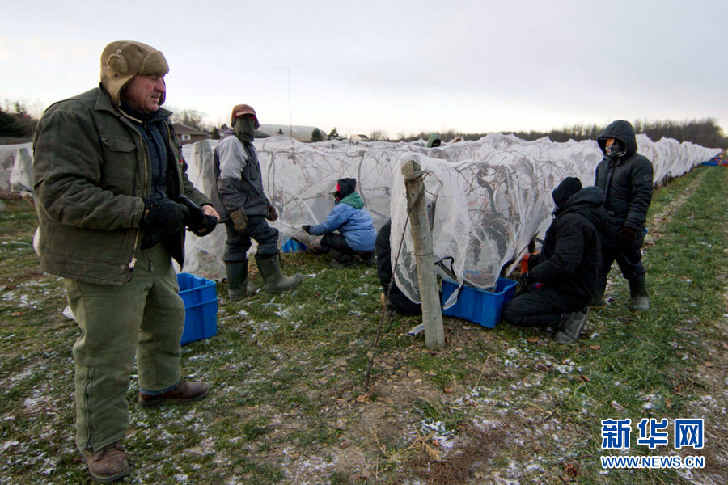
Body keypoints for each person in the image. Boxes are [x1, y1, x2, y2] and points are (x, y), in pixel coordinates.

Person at [32, 40, 219, 482]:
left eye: (163, 78)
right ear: (121, 78)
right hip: (102, 257)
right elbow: (62, 195)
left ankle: (159, 386)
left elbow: (176, 180)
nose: (161, 87)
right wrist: (145, 212)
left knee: (168, 318)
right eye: (151, 77)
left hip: (152, 248)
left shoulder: (158, 124)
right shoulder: (73, 119)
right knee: (106, 352)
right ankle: (100, 440)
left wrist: (200, 207)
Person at [212, 103, 303, 299]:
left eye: (250, 119)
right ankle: (274, 282)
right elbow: (227, 181)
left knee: (237, 243)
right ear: (234, 121)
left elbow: (251, 182)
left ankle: (237, 289)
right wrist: (236, 211)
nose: (247, 123)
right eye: (243, 119)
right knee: (268, 237)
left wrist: (266, 203)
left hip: (244, 206)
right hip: (243, 209)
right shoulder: (232, 143)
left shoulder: (245, 145)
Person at [502, 177, 608, 343]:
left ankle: (567, 317)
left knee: (512, 311)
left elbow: (563, 263)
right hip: (575, 285)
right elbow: (563, 255)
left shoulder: (571, 222)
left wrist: (532, 276)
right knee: (521, 298)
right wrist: (534, 264)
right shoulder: (581, 216)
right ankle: (565, 310)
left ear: (564, 200)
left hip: (571, 290)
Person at [592, 120, 654, 311]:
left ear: (623, 141)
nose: (609, 145)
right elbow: (597, 193)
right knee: (599, 264)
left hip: (625, 227)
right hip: (605, 226)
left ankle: (640, 297)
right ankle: (595, 298)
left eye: (612, 141)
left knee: (631, 264)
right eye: (606, 141)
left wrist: (632, 225)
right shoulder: (603, 166)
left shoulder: (639, 164)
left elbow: (641, 197)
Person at [302, 178, 377, 268]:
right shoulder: (359, 205)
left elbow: (326, 228)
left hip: (357, 244)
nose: (335, 195)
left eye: (336, 192)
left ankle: (345, 261)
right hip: (372, 243)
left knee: (326, 239)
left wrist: (310, 229)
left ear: (342, 192)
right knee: (359, 236)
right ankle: (368, 258)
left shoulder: (343, 207)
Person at [375, 219, 422, 315]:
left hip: (410, 281)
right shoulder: (392, 233)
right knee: (412, 307)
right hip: (398, 282)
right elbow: (386, 273)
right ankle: (390, 299)